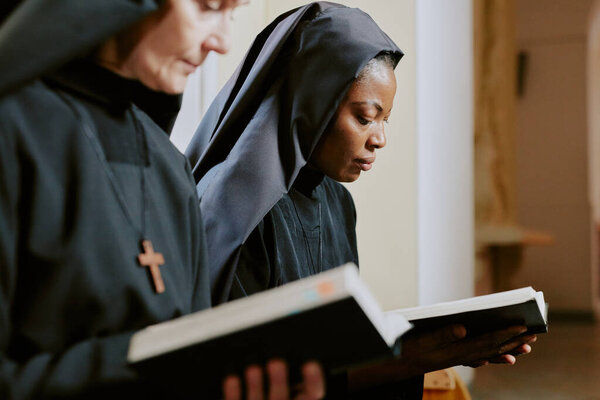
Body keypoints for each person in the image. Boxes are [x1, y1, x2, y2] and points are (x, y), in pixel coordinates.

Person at [186, 2, 537, 398]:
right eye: (365, 117)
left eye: (385, 119)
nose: (379, 138)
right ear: (310, 101)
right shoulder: (235, 212)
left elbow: (341, 345)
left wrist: (442, 348)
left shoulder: (337, 202)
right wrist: (415, 358)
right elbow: (249, 377)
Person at [0, 1, 326, 399]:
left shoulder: (169, 166)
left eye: (232, 15)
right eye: (208, 6)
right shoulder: (12, 133)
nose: (222, 42)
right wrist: (153, 368)